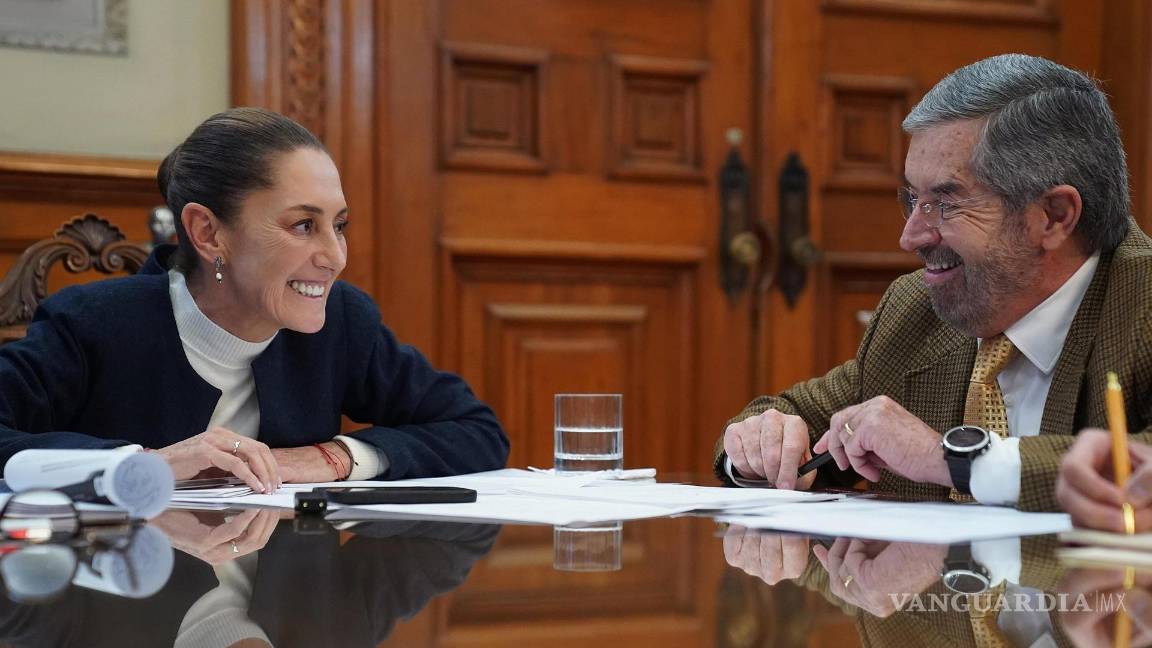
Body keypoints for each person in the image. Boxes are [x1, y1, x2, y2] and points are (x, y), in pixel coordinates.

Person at [716, 53, 1152, 512]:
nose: (911, 237)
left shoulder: (1139, 302)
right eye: (912, 199)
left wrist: (956, 460)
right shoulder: (917, 309)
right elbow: (797, 417)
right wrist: (759, 446)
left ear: (1054, 216)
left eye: (945, 203)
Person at [0, 108, 509, 493]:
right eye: (303, 225)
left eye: (340, 226)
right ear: (207, 232)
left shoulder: (344, 322)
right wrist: (143, 465)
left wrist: (331, 458)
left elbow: (476, 432)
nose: (334, 256)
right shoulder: (95, 325)